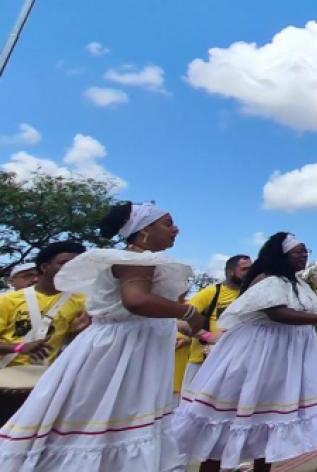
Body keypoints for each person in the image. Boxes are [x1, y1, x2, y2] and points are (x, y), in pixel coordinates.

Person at [0, 201, 202, 471]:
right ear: (143, 231)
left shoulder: (136, 260)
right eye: (167, 223)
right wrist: (189, 313)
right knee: (111, 417)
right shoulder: (136, 260)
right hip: (124, 350)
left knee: (106, 419)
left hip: (127, 345)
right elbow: (136, 301)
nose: (175, 229)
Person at [174, 233, 317, 471]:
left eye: (307, 251)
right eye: (298, 251)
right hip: (255, 357)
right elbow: (277, 313)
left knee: (268, 424)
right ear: (281, 255)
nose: (304, 255)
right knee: (227, 421)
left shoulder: (299, 285)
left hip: (281, 362)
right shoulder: (267, 280)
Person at [0, 241, 88, 368]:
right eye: (64, 264)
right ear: (45, 267)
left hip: (45, 377)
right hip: (5, 373)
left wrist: (79, 333)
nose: (71, 269)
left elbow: (73, 346)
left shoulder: (81, 301)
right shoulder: (8, 299)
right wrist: (19, 347)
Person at [181, 254, 252, 392]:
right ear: (230, 272)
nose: (250, 272)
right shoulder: (212, 292)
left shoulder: (250, 294)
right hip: (203, 362)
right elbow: (181, 320)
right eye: (245, 269)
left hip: (236, 363)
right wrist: (208, 336)